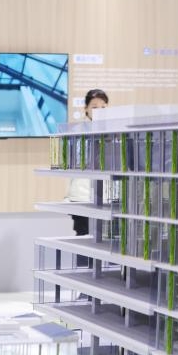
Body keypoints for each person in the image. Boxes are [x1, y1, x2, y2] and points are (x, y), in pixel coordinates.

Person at [66, 89, 109, 241]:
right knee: (84, 240)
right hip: (82, 196)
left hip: (107, 196)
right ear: (86, 109)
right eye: (95, 107)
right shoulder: (76, 132)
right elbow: (77, 160)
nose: (100, 111)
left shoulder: (114, 131)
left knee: (107, 241)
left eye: (103, 107)